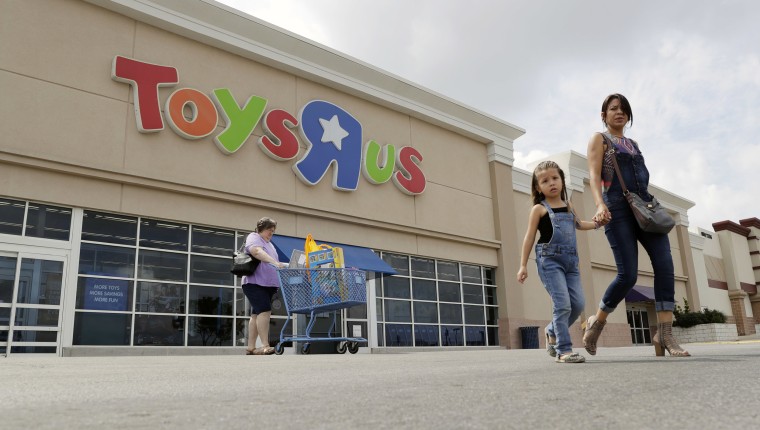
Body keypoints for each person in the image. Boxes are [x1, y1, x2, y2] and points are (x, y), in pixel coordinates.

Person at [584, 93, 690, 357]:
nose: (619, 113)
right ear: (604, 115)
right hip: (617, 210)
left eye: (624, 110)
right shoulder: (600, 139)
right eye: (613, 109)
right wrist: (600, 204)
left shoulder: (633, 144)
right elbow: (594, 176)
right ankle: (597, 322)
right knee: (628, 275)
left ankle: (664, 334)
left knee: (665, 266)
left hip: (646, 209)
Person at [517, 161, 599, 363]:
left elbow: (579, 224)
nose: (551, 183)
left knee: (578, 304)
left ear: (562, 180)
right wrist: (523, 265)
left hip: (571, 262)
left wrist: (598, 223)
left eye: (555, 178)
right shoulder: (538, 209)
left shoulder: (568, 205)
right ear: (538, 187)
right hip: (550, 261)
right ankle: (563, 350)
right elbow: (529, 237)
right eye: (545, 181)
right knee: (562, 305)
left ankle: (551, 330)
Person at [242, 217, 287, 355]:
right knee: (265, 311)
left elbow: (276, 263)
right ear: (261, 228)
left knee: (256, 314)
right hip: (255, 283)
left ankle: (251, 347)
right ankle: (265, 345)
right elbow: (256, 252)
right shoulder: (254, 237)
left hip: (267, 285)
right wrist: (275, 262)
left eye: (273, 231)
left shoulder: (270, 244)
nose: (271, 233)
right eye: (269, 230)